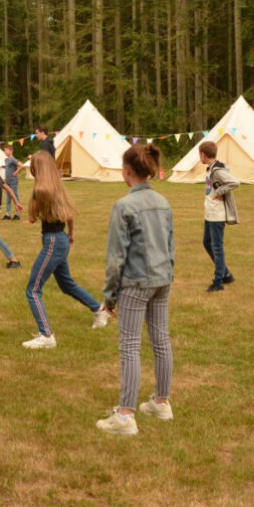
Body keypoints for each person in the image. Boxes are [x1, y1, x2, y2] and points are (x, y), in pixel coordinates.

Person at [96, 143, 174, 436]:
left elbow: (116, 258)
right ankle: (161, 402)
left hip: (136, 283)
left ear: (127, 171)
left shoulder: (123, 206)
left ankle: (126, 416)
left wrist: (109, 297)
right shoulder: (163, 202)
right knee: (161, 340)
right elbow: (170, 245)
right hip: (162, 280)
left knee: (129, 346)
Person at [21, 151, 111, 350]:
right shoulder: (58, 187)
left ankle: (46, 336)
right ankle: (99, 309)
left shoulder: (40, 189)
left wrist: (31, 197)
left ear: (37, 168)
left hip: (52, 242)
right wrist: (70, 234)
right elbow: (69, 215)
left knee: (33, 290)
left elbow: (33, 217)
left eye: (33, 165)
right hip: (61, 239)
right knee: (66, 284)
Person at [198, 142, 239, 292]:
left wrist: (219, 191)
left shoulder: (217, 170)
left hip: (217, 214)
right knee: (207, 243)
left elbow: (235, 182)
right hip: (210, 213)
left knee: (217, 247)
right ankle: (226, 273)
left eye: (199, 155)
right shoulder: (211, 169)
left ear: (203, 154)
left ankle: (218, 282)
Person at [2, 144, 25, 220]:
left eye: (6, 150)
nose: (4, 151)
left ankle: (17, 214)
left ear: (11, 151)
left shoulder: (12, 159)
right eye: (4, 150)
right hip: (7, 182)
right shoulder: (6, 160)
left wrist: (16, 172)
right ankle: (7, 214)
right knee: (8, 198)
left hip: (13, 182)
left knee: (15, 196)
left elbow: (22, 165)